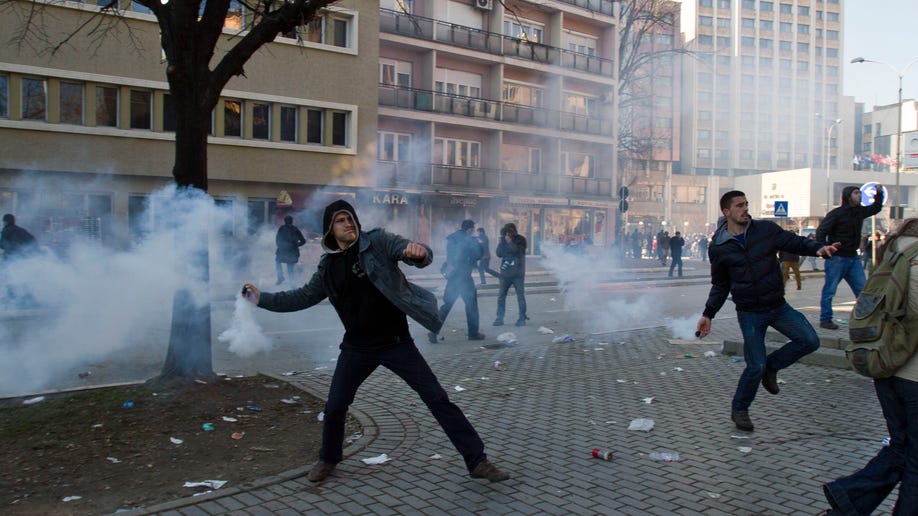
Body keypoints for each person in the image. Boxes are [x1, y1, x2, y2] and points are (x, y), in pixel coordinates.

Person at [241, 200, 509, 484]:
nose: (349, 223)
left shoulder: (377, 243)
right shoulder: (328, 266)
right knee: (335, 406)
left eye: (350, 218)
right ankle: (329, 457)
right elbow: (302, 296)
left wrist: (416, 253)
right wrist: (263, 299)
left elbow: (413, 251)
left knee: (437, 399)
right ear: (330, 228)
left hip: (396, 343)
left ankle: (477, 460)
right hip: (357, 347)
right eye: (341, 220)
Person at [696, 191, 840, 432]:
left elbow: (794, 242)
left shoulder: (765, 230)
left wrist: (818, 249)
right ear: (726, 212)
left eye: (746, 204)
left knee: (809, 340)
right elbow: (720, 285)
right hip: (750, 313)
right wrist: (708, 314)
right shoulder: (719, 247)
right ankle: (740, 409)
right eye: (739, 206)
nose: (745, 209)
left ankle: (772, 367)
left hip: (777, 306)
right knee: (754, 366)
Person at [822, 218, 918, 515]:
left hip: (886, 367)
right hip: (913, 375)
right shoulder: (915, 262)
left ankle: (848, 500)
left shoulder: (892, 257)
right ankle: (849, 496)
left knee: (901, 449)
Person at [816, 185, 884, 329]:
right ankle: (825, 319)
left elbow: (876, 208)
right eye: (856, 193)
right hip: (837, 258)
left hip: (853, 258)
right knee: (830, 290)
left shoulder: (859, 212)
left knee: (863, 291)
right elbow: (821, 231)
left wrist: (878, 193)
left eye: (860, 193)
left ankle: (867, 318)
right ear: (848, 196)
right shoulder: (837, 213)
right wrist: (825, 247)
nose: (859, 195)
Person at [429, 219, 485, 343]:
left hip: (453, 276)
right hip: (464, 277)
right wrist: (480, 243)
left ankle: (432, 331)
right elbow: (478, 255)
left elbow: (451, 256)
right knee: (471, 305)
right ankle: (473, 333)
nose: (473, 232)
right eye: (473, 229)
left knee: (447, 305)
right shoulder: (469, 239)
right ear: (469, 229)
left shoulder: (452, 238)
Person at [493, 223, 528, 327]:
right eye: (506, 233)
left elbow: (519, 251)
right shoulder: (504, 240)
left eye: (509, 232)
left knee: (520, 296)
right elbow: (499, 254)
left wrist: (510, 242)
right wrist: (500, 243)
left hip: (518, 274)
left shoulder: (521, 240)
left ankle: (522, 318)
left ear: (513, 231)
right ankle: (499, 318)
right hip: (505, 274)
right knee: (501, 296)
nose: (507, 234)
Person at [274, 215, 306, 286]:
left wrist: (293, 245)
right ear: (292, 221)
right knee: (289, 268)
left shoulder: (283, 229)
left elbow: (277, 240)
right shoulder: (294, 229)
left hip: (287, 252)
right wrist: (296, 245)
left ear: (285, 221)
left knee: (278, 263)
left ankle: (284, 279)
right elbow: (303, 241)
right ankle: (289, 282)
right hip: (289, 252)